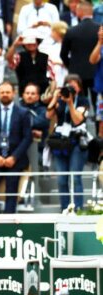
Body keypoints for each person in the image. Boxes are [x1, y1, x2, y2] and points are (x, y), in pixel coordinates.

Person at [0, 81, 32, 214]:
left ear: (14, 93)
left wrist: (14, 157)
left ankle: (8, 222)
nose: (5, 95)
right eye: (2, 92)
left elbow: (28, 138)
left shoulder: (23, 113)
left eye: (8, 92)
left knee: (11, 190)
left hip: (15, 159)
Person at [46, 74, 90, 211]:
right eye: (68, 84)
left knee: (75, 177)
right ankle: (65, 209)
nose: (71, 86)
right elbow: (48, 115)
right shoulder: (60, 100)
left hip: (77, 140)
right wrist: (55, 97)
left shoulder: (83, 101)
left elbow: (77, 120)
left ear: (79, 87)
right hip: (60, 141)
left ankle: (78, 209)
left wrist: (70, 103)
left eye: (74, 84)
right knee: (61, 179)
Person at [60, 1, 99, 106]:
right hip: (97, 72)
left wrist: (71, 66)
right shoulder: (100, 30)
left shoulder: (72, 31)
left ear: (79, 12)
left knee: (80, 105)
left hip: (77, 74)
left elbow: (63, 54)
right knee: (99, 105)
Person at [6, 29, 50, 95]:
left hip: (42, 93)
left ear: (37, 42)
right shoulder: (19, 56)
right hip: (24, 93)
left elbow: (52, 77)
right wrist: (15, 45)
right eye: (28, 42)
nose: (31, 44)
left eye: (33, 41)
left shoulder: (46, 57)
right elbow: (9, 59)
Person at [19, 83, 50, 168]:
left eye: (33, 94)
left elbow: (41, 122)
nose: (29, 96)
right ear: (23, 95)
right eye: (27, 93)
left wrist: (23, 126)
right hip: (19, 148)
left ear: (37, 96)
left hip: (38, 148)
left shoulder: (43, 110)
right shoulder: (16, 109)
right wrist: (30, 132)